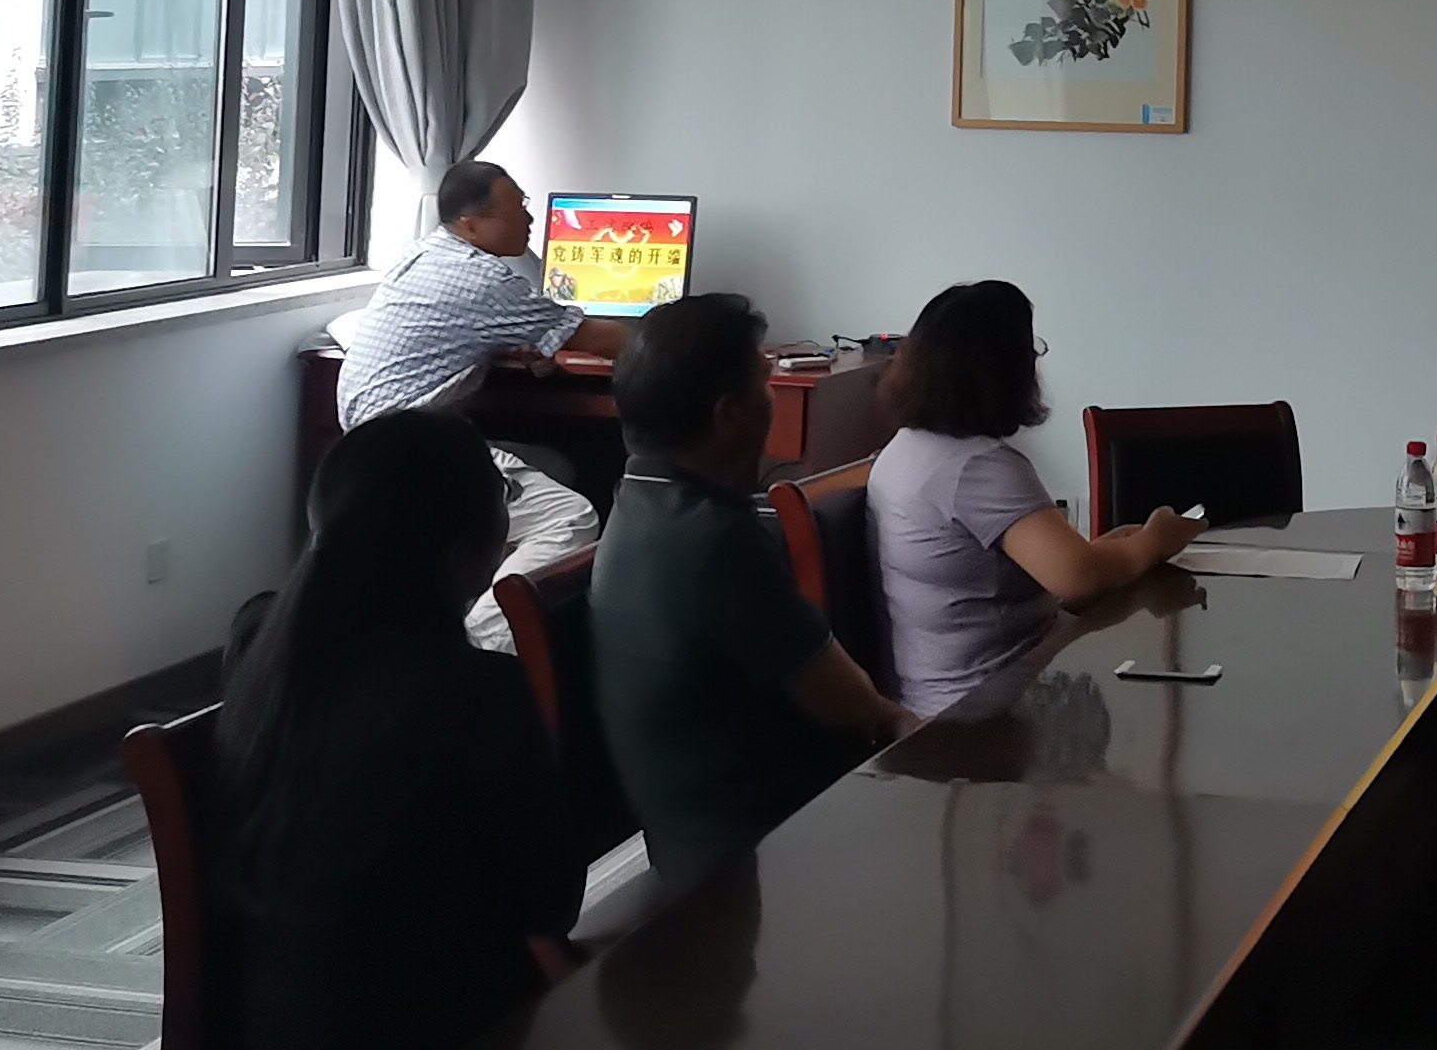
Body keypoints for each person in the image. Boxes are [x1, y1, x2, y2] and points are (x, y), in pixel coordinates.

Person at [215, 409, 581, 1050]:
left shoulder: (260, 646)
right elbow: (550, 904)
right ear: (465, 553)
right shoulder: (480, 692)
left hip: (278, 1015)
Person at [590, 293, 919, 885]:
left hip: (689, 839)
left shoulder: (638, 500)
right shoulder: (714, 543)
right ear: (730, 415)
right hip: (757, 863)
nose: (772, 398)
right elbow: (854, 708)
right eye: (764, 382)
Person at [868, 280, 1204, 716]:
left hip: (956, 691)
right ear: (1006, 370)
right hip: (985, 706)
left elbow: (1048, 569)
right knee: (1159, 692)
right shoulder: (978, 468)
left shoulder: (907, 449)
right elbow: (1078, 579)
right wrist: (1157, 539)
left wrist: (1111, 549)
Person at [336, 161, 627, 647]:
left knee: (556, 464)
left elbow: (463, 329)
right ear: (470, 225)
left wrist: (514, 341)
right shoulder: (484, 280)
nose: (529, 220)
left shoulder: (427, 253)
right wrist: (682, 339)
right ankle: (481, 645)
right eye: (516, 210)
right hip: (412, 455)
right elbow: (598, 339)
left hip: (368, 447)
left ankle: (476, 611)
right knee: (571, 517)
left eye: (526, 205)